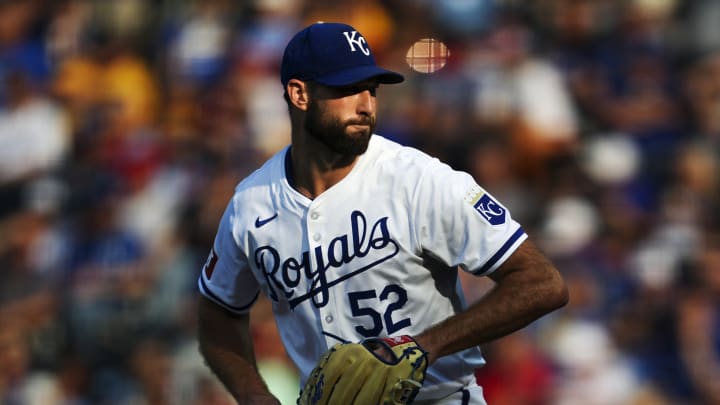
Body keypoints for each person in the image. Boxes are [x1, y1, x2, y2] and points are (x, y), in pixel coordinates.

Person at [196, 21, 568, 405]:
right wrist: (253, 394)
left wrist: (426, 346)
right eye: (347, 89)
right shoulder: (251, 205)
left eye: (371, 90)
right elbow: (218, 312)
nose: (366, 105)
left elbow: (543, 283)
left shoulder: (420, 181)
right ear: (299, 94)